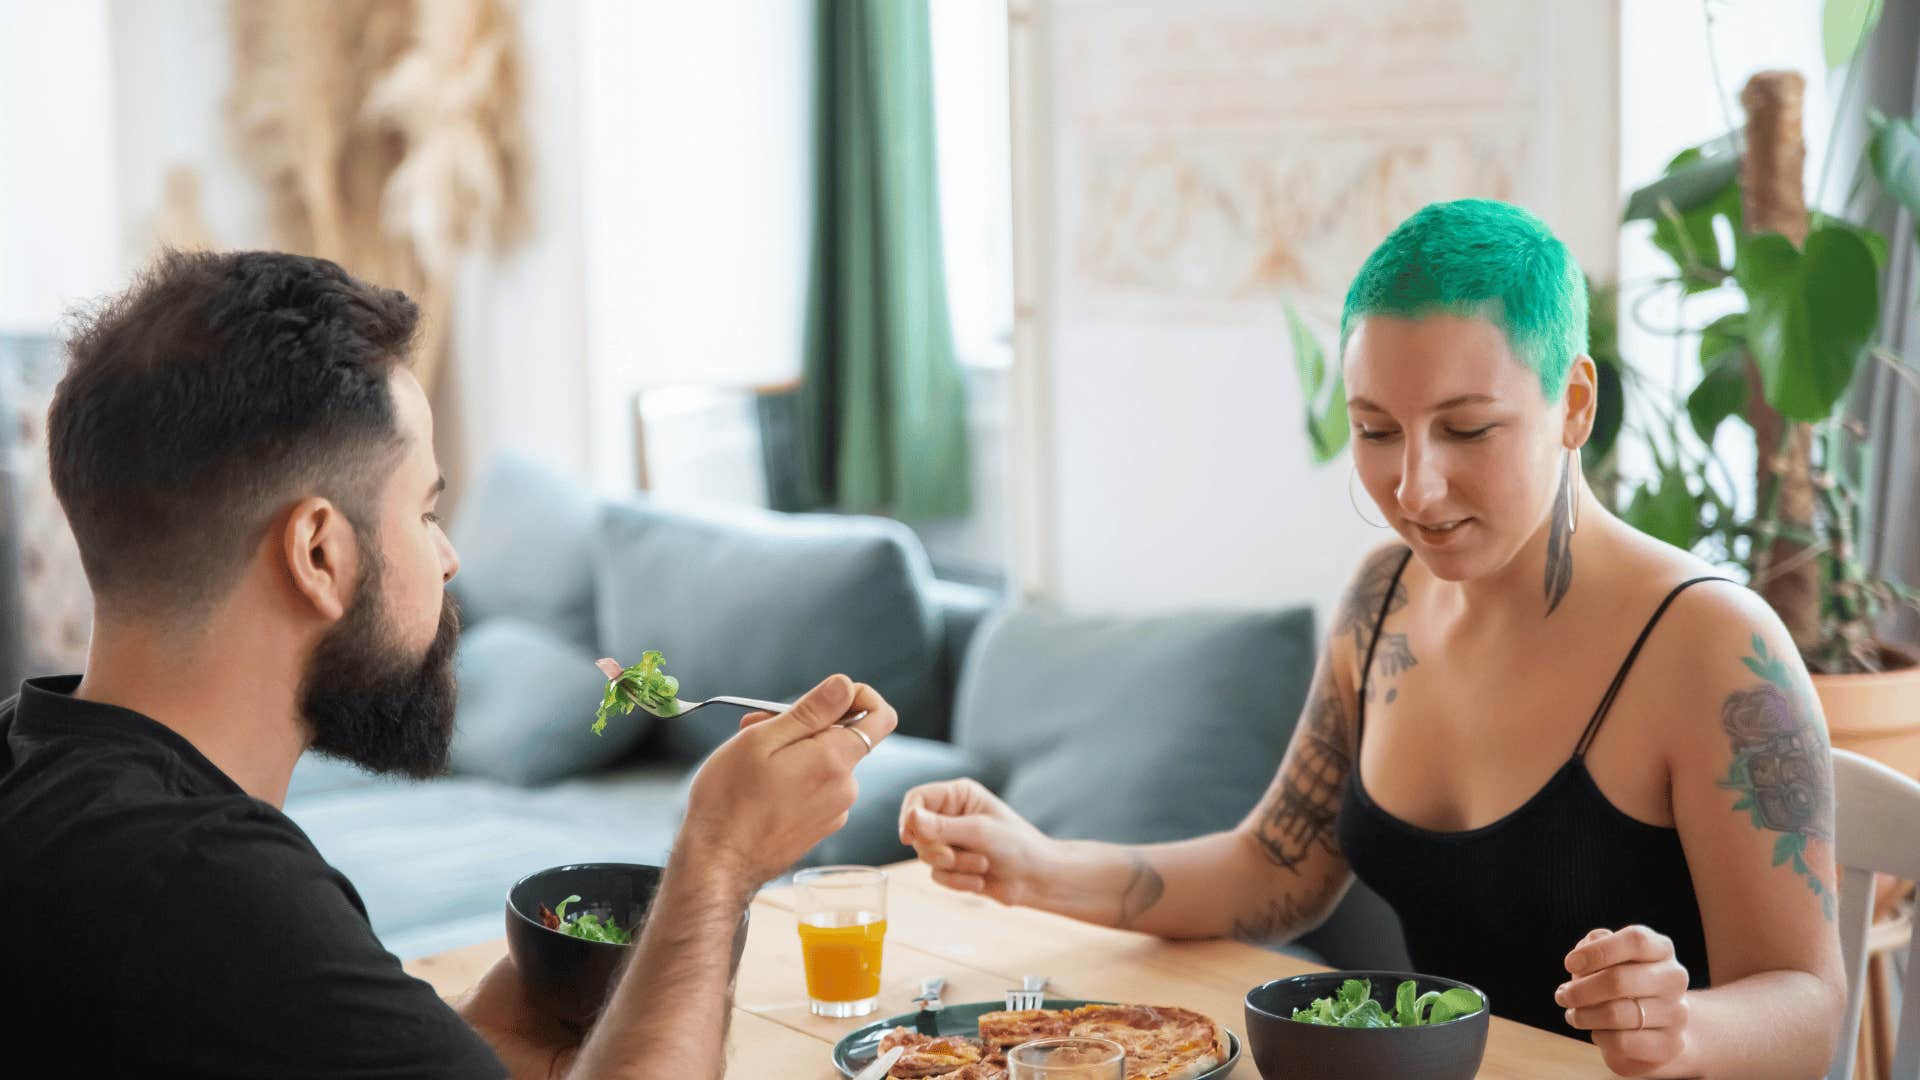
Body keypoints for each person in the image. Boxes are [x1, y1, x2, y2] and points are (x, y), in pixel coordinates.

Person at [899, 200, 1845, 1079]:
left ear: (1575, 405)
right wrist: (1038, 865)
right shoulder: (1382, 597)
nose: (1416, 489)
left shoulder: (1711, 647)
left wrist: (1681, 1031)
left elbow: (1810, 1005)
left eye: (1468, 429)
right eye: (1375, 430)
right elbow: (1277, 869)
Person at [0, 249, 897, 1078]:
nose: (449, 557)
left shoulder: (45, 779)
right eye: (426, 511)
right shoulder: (210, 890)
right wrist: (720, 860)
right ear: (319, 554)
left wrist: (457, 1049)